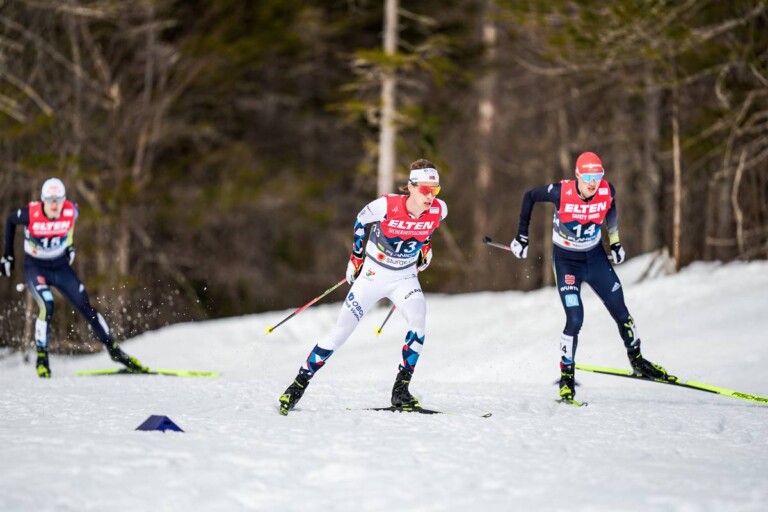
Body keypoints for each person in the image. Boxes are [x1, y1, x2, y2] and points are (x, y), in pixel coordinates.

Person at [279, 159, 447, 415]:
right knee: (341, 332)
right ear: (411, 187)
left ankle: (400, 390)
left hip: (404, 278)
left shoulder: (439, 209)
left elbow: (429, 228)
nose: (430, 196)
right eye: (425, 189)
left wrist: (426, 249)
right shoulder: (386, 205)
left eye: (435, 190)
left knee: (418, 321)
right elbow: (360, 221)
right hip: (373, 274)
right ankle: (298, 385)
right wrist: (355, 259)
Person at [507, 152, 671, 401]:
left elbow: (611, 209)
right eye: (587, 178)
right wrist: (522, 236)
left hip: (594, 258)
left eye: (598, 177)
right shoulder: (560, 192)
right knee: (575, 318)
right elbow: (529, 196)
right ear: (577, 176)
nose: (593, 183)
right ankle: (567, 378)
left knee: (621, 311)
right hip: (566, 262)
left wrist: (615, 243)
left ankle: (637, 360)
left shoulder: (607, 190)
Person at [0, 177, 146, 378]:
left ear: (64, 200)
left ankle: (115, 351)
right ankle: (42, 359)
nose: (54, 205)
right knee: (47, 305)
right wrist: (8, 255)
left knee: (86, 306)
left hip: (60, 266)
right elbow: (9, 220)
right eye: (49, 200)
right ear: (42, 200)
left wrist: (70, 246)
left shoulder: (71, 211)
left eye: (58, 200)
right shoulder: (30, 214)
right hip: (36, 266)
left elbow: (69, 228)